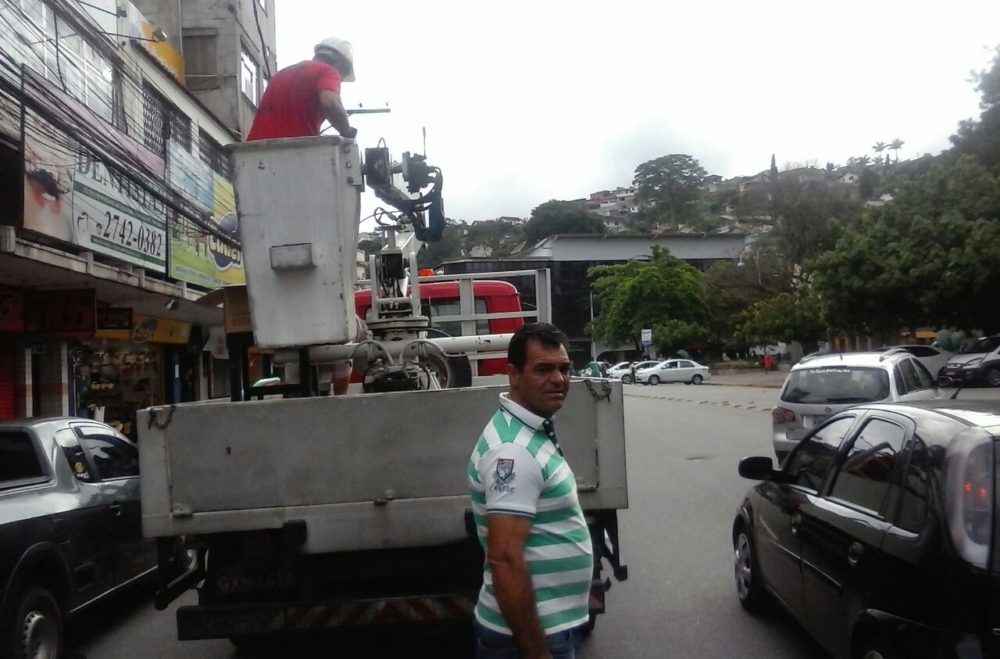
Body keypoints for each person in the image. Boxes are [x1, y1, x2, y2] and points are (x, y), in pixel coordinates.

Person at [468, 323, 593, 659]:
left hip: (547, 628)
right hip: (533, 636)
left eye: (564, 368)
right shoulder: (513, 451)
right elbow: (505, 559)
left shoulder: (530, 430)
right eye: (543, 369)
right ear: (514, 375)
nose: (559, 379)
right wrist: (537, 652)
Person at [246, 36, 357, 141]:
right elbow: (330, 102)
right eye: (344, 74)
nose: (341, 80)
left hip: (253, 148)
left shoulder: (281, 74)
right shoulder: (328, 71)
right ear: (340, 65)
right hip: (296, 148)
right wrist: (346, 131)